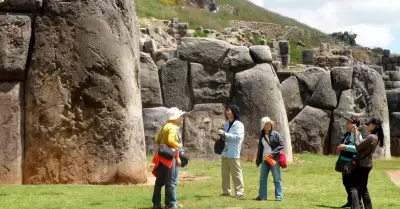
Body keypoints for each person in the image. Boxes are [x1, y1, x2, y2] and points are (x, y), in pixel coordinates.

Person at [338, 118, 384, 209]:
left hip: (362, 165)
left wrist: (355, 132)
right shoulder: (376, 137)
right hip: (367, 164)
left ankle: (356, 207)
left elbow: (358, 146)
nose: (368, 126)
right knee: (363, 188)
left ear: (375, 125)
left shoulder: (371, 137)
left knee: (353, 187)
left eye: (369, 124)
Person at [152, 107, 185, 209]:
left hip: (161, 157)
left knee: (159, 182)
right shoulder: (172, 127)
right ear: (175, 118)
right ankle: (170, 204)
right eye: (181, 117)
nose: (182, 118)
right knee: (170, 182)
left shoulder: (165, 126)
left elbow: (157, 141)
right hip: (169, 158)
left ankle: (156, 204)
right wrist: (179, 146)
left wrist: (164, 145)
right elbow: (171, 141)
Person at [218, 105, 245, 199]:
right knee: (224, 173)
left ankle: (240, 192)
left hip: (233, 153)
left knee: (236, 173)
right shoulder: (226, 123)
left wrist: (225, 134)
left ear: (233, 112)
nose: (226, 111)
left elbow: (238, 138)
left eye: (228, 110)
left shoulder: (239, 125)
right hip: (225, 152)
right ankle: (226, 191)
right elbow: (225, 136)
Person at [255, 117, 285, 201]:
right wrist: (258, 160)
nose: (269, 125)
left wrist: (272, 153)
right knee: (262, 178)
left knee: (277, 178)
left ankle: (279, 197)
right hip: (265, 160)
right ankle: (262, 196)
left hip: (273, 159)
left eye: (269, 123)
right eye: (266, 124)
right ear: (263, 125)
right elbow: (260, 149)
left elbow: (282, 144)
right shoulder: (262, 136)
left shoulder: (275, 134)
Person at [339, 115, 363, 208]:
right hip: (345, 162)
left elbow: (358, 149)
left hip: (352, 163)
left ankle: (358, 204)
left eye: (348, 122)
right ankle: (350, 202)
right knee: (346, 182)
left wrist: (345, 147)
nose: (346, 123)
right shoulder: (348, 133)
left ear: (353, 124)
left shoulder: (357, 134)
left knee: (353, 185)